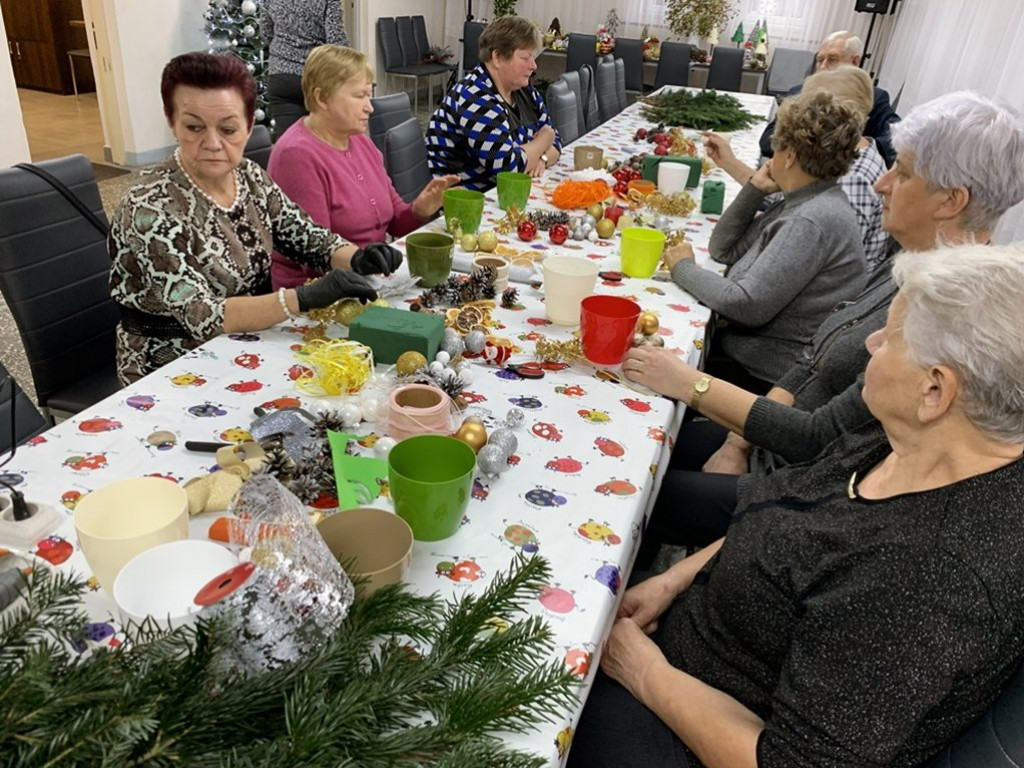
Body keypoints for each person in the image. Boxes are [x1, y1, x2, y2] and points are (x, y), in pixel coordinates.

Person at [569, 242, 1024, 768]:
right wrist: (674, 581)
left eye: (891, 337)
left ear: (935, 390)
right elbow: (793, 514)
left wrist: (644, 672)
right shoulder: (918, 442)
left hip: (692, 728)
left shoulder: (927, 576)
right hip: (690, 649)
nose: (872, 343)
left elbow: (790, 762)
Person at [624, 91, 1024, 564]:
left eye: (905, 173)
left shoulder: (951, 314)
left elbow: (820, 439)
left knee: (643, 486)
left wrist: (688, 382)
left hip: (802, 482)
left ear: (951, 201)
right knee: (643, 438)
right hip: (775, 449)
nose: (882, 184)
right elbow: (811, 359)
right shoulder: (908, 257)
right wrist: (736, 440)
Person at [109, 52, 401, 385]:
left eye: (229, 129)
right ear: (171, 120)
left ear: (249, 126)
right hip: (171, 366)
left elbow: (305, 236)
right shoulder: (150, 206)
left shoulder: (248, 176)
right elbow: (202, 315)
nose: (213, 144)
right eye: (193, 127)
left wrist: (358, 257)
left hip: (246, 343)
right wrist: (302, 298)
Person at [667, 89, 866, 393]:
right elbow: (724, 249)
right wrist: (755, 188)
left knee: (657, 359)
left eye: (776, 149)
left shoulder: (809, 219)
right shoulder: (806, 198)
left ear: (790, 156)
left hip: (763, 375)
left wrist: (682, 268)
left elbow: (744, 304)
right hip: (751, 356)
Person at [268, 45, 458, 290]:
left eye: (369, 95)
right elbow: (316, 256)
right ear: (322, 97)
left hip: (368, 279)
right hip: (317, 294)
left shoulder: (359, 140)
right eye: (359, 96)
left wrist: (420, 210)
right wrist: (368, 264)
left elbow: (394, 222)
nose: (369, 106)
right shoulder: (296, 156)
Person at [707, 65, 888, 272]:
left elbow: (822, 257)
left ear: (834, 116)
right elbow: (788, 196)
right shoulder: (851, 152)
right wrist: (730, 163)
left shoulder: (854, 178)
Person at [425, 15, 562, 191]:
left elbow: (557, 142)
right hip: (468, 205)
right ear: (497, 57)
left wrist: (541, 158)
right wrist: (545, 137)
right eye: (525, 57)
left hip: (505, 194)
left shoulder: (524, 91)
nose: (534, 66)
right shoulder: (474, 97)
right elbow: (509, 169)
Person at [759, 30, 900, 166]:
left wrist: (844, 151)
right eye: (819, 60)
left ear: (855, 62)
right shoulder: (798, 92)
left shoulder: (875, 98)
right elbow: (767, 139)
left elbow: (895, 140)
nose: (823, 66)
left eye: (832, 59)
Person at [260, 0, 348, 138]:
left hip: (281, 75)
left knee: (288, 141)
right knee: (320, 142)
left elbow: (266, 33)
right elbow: (336, 40)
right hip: (315, 76)